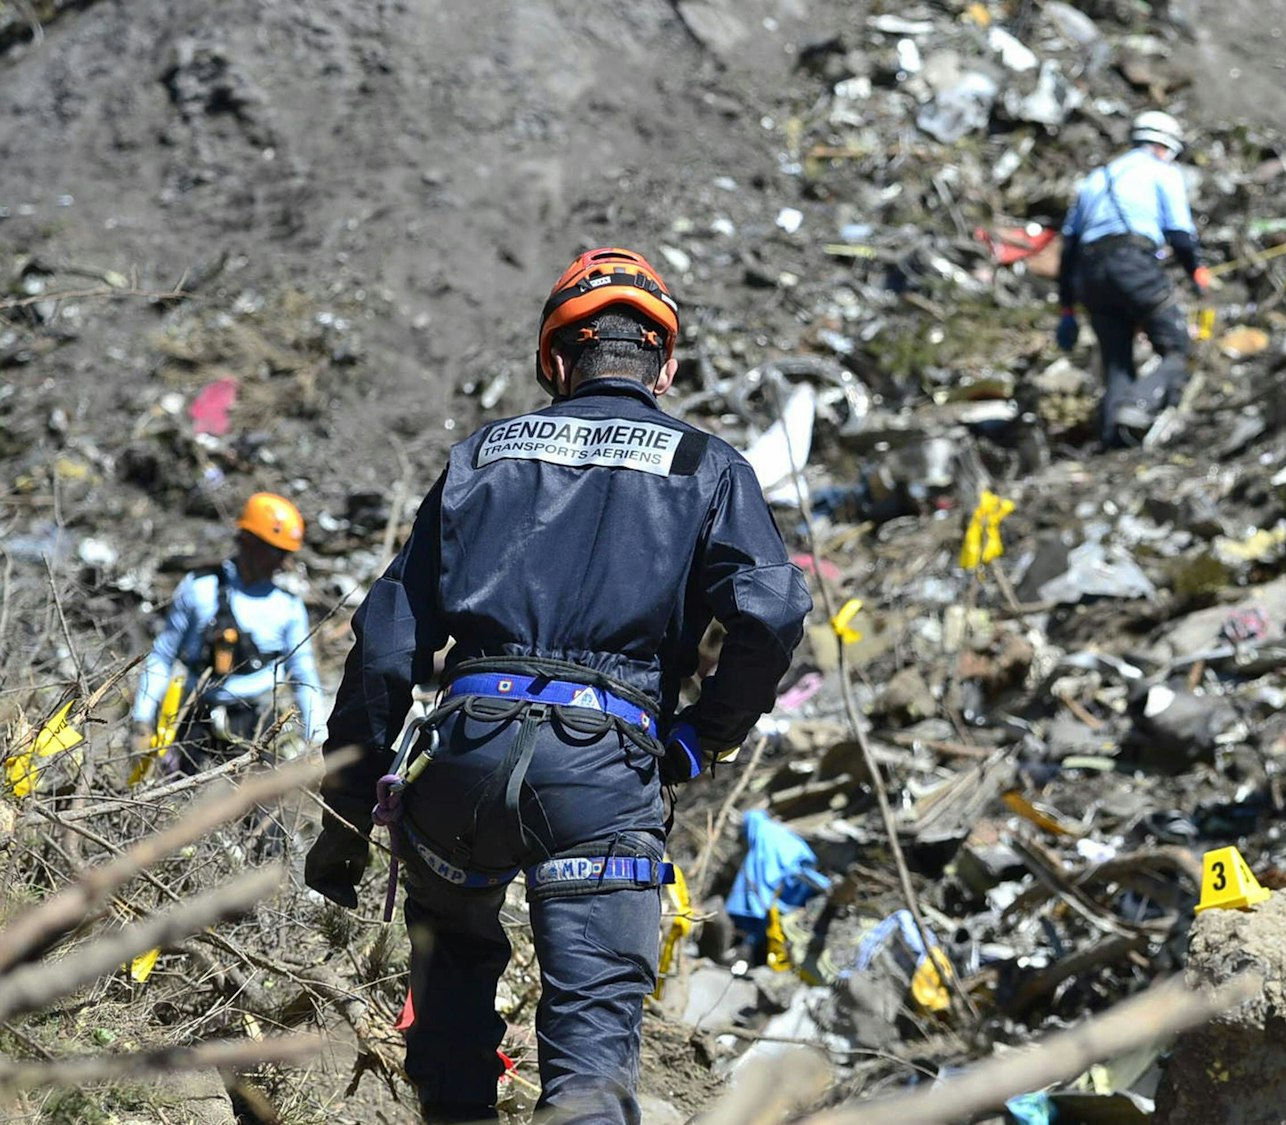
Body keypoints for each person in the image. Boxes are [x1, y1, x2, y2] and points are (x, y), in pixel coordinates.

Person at [304, 247, 811, 1124]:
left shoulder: (481, 457)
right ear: (666, 363)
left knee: (450, 1037)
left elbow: (387, 643)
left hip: (460, 759)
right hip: (602, 773)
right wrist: (702, 734)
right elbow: (770, 614)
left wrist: (345, 821)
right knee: (586, 1065)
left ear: (555, 359)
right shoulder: (708, 466)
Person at [129, 492, 324, 775]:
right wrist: (142, 720)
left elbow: (304, 676)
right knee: (177, 803)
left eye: (285, 554)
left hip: (256, 722)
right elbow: (163, 655)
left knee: (258, 813)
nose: (281, 563)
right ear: (247, 541)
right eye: (274, 552)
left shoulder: (289, 607)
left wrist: (316, 740)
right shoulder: (200, 589)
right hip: (195, 715)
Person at [1054, 110, 1213, 448]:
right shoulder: (1160, 171)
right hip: (1131, 263)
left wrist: (1067, 310)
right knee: (1177, 347)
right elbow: (1180, 233)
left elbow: (1067, 252)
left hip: (1089, 275)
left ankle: (1114, 439)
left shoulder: (1095, 179)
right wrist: (1196, 272)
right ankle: (1137, 406)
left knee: (1117, 363)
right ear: (1164, 146)